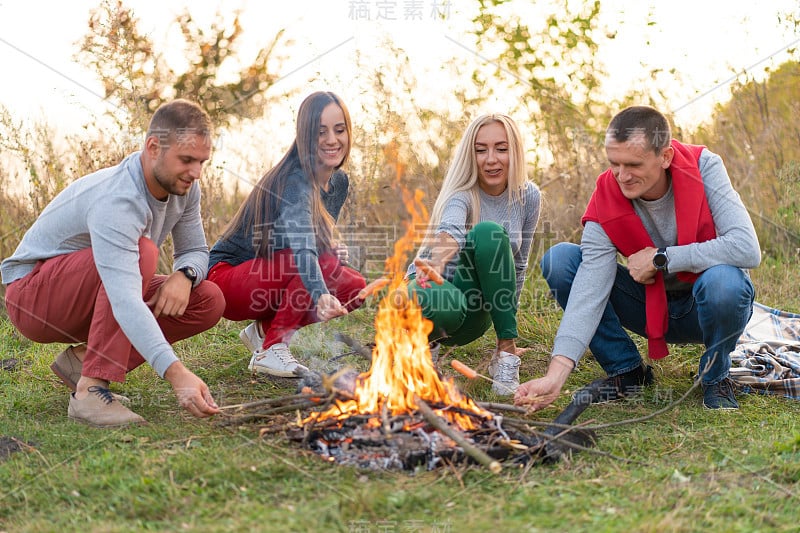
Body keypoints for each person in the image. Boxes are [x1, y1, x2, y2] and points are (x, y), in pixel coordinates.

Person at [515, 105, 761, 411]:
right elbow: (588, 288)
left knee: (726, 281)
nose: (622, 176)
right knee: (561, 260)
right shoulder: (607, 193)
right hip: (646, 306)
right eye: (614, 164)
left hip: (705, 305)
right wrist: (555, 375)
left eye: (633, 164)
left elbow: (746, 248)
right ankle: (626, 371)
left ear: (665, 157)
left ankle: (715, 375)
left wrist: (662, 258)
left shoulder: (704, 166)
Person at [2, 99, 226, 428]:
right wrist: (177, 374)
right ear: (153, 147)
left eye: (202, 161)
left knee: (207, 299)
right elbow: (124, 300)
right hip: (33, 299)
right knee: (144, 253)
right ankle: (90, 393)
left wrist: (185, 273)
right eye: (186, 160)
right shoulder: (118, 200)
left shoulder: (186, 189)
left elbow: (195, 248)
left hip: (90, 292)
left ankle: (81, 364)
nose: (195, 172)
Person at [208, 91, 366, 377]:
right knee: (320, 262)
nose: (332, 139)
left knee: (354, 286)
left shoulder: (338, 182)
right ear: (306, 136)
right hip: (226, 279)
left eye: (339, 130)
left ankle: (262, 331)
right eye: (321, 132)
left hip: (268, 274)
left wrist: (332, 247)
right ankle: (272, 349)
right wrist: (319, 289)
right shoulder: (295, 181)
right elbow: (304, 247)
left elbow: (315, 238)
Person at [407, 113, 541, 396]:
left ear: (514, 151)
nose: (491, 159)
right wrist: (435, 262)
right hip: (429, 295)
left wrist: (507, 327)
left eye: (501, 149)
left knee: (490, 237)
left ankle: (506, 356)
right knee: (488, 232)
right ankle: (421, 350)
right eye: (481, 150)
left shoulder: (528, 196)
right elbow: (451, 230)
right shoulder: (462, 195)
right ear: (471, 155)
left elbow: (517, 267)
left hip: (473, 315)